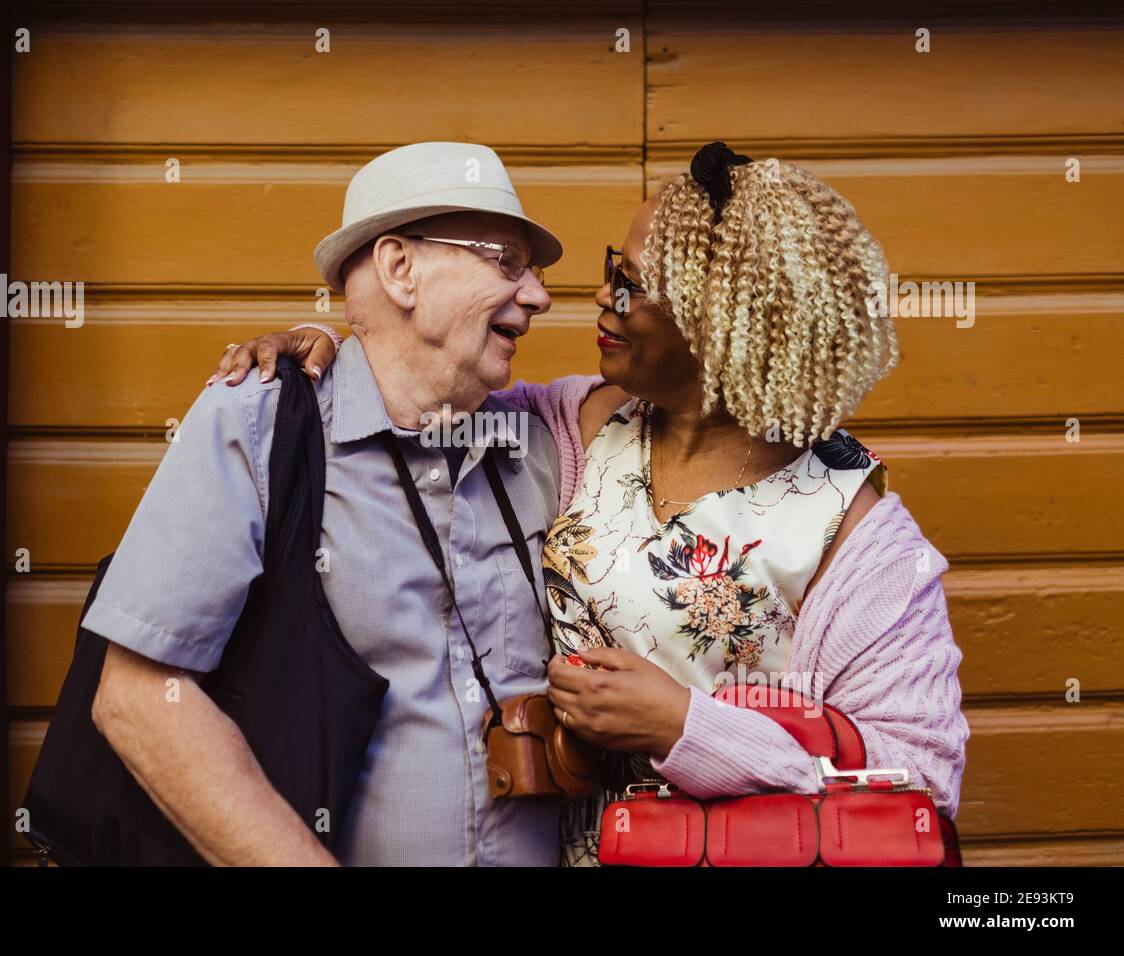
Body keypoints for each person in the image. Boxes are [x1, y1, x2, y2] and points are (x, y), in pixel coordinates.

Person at [218, 142, 970, 866]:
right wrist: (319, 349)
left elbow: (920, 785)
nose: (602, 297)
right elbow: (418, 390)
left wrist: (688, 727)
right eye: (616, 269)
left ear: (725, 327)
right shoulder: (577, 426)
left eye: (633, 285)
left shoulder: (857, 535)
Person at [85, 141, 569, 866]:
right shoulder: (257, 422)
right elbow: (140, 698)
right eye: (505, 261)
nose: (537, 295)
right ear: (400, 269)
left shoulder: (547, 435)